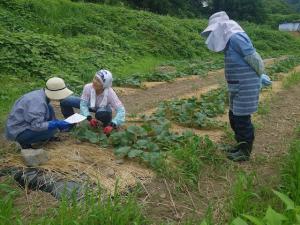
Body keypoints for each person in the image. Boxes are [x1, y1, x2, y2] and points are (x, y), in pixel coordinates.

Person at [201, 11, 271, 162]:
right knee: (234, 116)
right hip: (236, 85)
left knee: (242, 119)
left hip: (246, 85)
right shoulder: (228, 40)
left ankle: (245, 151)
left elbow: (253, 57)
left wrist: (260, 75)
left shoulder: (236, 37)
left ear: (222, 27)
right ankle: (239, 145)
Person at [5, 77, 73, 149]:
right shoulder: (38, 102)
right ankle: (24, 142)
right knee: (53, 130)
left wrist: (53, 123)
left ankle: (44, 136)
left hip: (21, 125)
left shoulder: (40, 94)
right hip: (19, 132)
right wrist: (55, 124)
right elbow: (37, 126)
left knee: (49, 108)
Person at [60, 69, 126, 135]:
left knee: (102, 114)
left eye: (98, 81)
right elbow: (83, 104)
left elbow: (121, 110)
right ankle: (71, 124)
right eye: (95, 78)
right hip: (90, 105)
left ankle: (106, 125)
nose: (94, 82)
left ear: (104, 85)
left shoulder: (110, 93)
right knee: (65, 101)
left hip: (103, 108)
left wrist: (113, 124)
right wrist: (89, 118)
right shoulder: (88, 87)